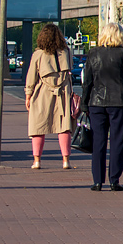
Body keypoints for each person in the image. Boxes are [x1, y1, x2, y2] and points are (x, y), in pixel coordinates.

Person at [82, 21, 123, 192]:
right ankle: (114, 180)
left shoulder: (93, 54)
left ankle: (97, 181)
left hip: (96, 103)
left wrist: (85, 103)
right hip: (119, 103)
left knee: (98, 142)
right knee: (117, 142)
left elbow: (88, 82)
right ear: (120, 36)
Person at [24, 24, 76, 170]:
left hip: (42, 93)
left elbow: (31, 77)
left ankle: (37, 161)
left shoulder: (38, 55)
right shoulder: (66, 52)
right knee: (64, 127)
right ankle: (66, 161)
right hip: (63, 93)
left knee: (38, 127)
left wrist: (28, 95)